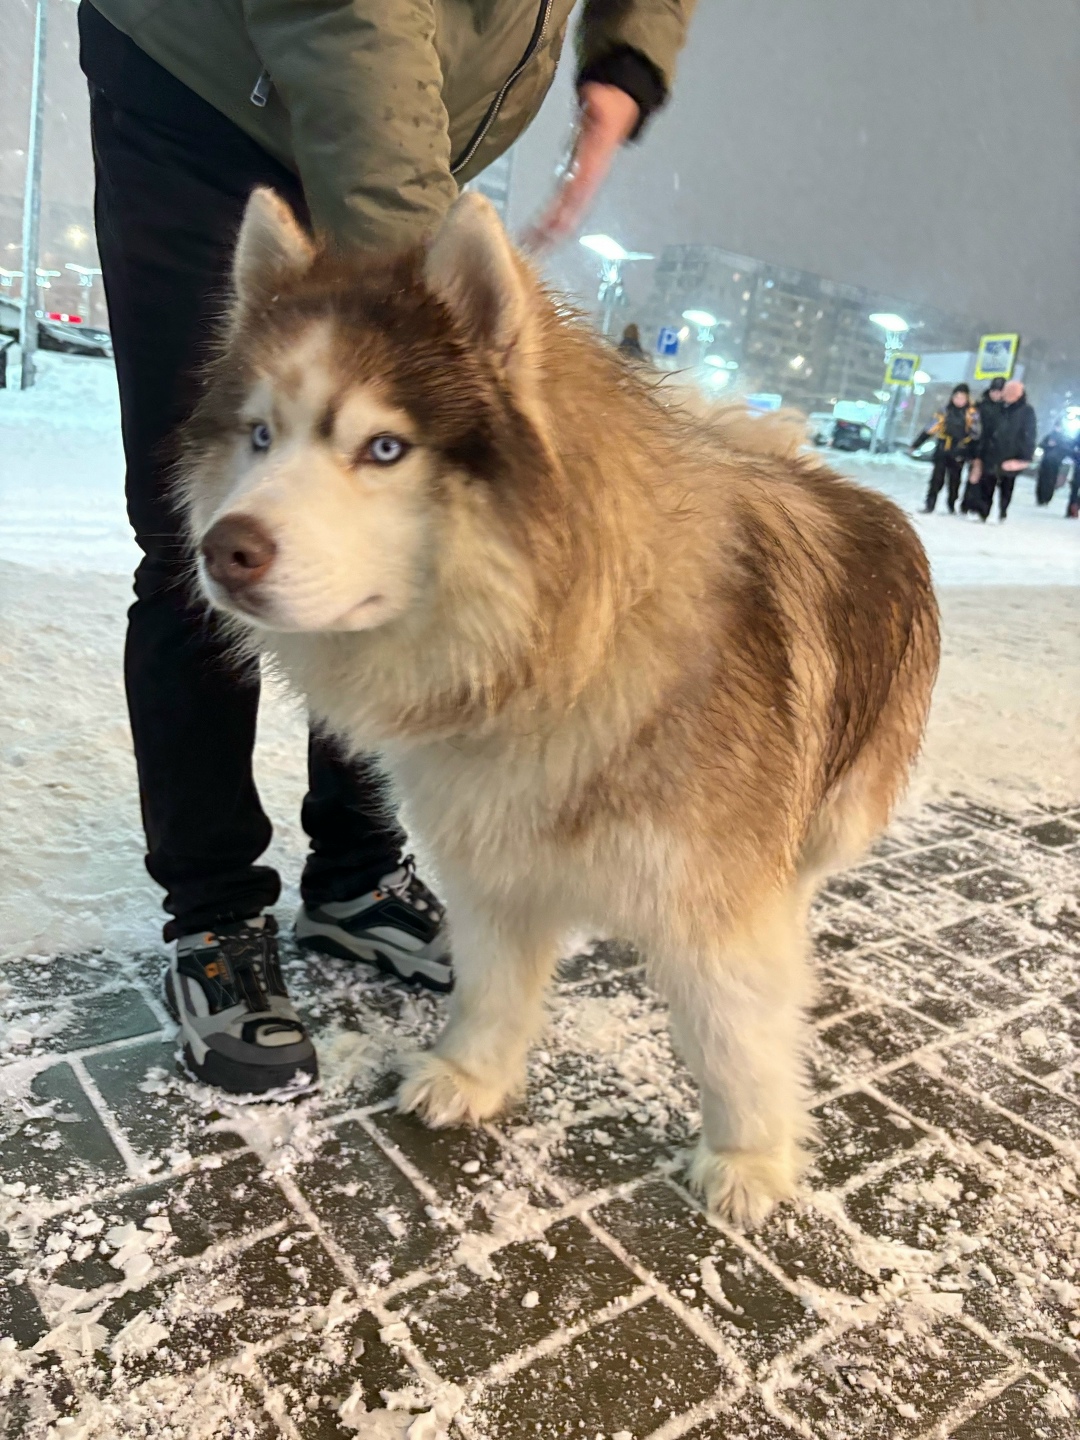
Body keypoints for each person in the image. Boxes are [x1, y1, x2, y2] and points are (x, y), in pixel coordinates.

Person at [78, 0, 694, 1094]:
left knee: (390, 534)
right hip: (205, 91)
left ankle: (357, 876)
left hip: (404, 118)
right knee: (208, 536)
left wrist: (629, 53)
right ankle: (214, 911)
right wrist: (424, 294)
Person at [911, 384, 981, 513]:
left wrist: (973, 454)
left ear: (967, 398)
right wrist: (916, 444)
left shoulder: (972, 414)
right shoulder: (944, 411)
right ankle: (930, 504)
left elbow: (975, 435)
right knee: (936, 479)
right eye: (957, 397)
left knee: (954, 481)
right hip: (943, 449)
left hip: (959, 451)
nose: (959, 400)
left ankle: (951, 505)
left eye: (962, 398)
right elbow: (930, 429)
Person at [974, 378, 1037, 522]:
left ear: (1019, 394)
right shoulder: (997, 408)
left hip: (1012, 455)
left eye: (1012, 392)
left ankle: (1002, 511)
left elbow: (1029, 435)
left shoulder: (1026, 411)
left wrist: (1024, 457)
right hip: (992, 452)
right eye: (1007, 391)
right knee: (987, 482)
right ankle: (983, 512)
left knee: (1007, 485)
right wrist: (980, 452)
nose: (1008, 394)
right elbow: (986, 431)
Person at [960, 376, 1005, 514]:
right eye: (994, 391)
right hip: (978, 447)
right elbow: (972, 428)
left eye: (999, 391)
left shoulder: (1006, 409)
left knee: (989, 480)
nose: (996, 394)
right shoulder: (980, 406)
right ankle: (967, 505)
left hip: (995, 450)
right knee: (974, 476)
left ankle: (983, 509)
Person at [1036, 422, 1072, 505]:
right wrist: (1048, 445)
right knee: (1043, 480)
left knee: (1050, 481)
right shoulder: (1050, 436)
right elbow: (1041, 444)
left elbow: (1066, 450)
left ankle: (1046, 498)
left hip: (1055, 463)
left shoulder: (1063, 438)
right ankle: (1041, 498)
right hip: (1046, 461)